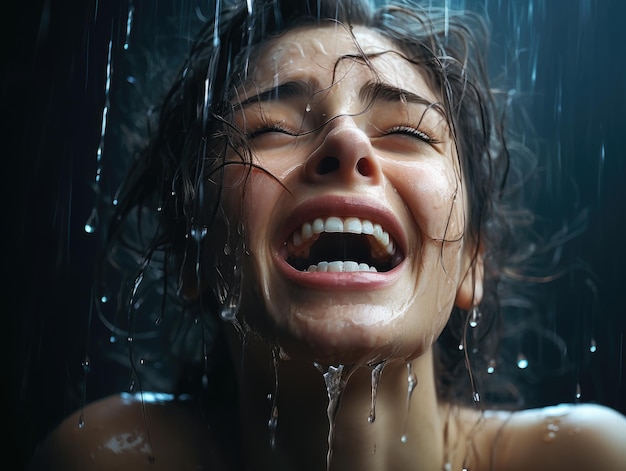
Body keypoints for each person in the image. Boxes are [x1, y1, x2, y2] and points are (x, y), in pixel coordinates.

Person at [28, 0, 626, 470]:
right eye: (269, 129)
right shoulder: (110, 459)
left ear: (472, 261)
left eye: (409, 133)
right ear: (193, 255)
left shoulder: (587, 458)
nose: (346, 142)